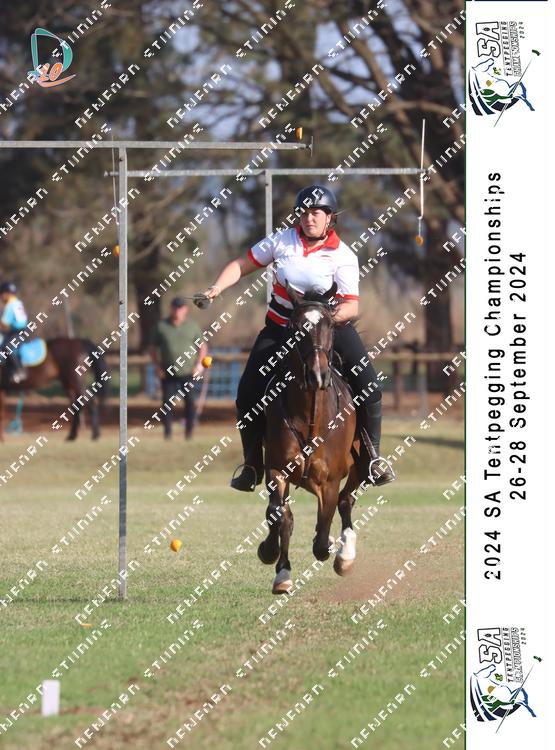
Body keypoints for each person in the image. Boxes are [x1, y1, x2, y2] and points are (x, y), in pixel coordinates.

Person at [202, 184, 396, 491]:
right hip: (280, 329)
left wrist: (319, 322)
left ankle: (373, 459)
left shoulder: (343, 255)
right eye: (304, 212)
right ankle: (252, 465)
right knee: (247, 392)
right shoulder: (281, 241)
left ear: (330, 217)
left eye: (316, 212)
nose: (309, 218)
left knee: (370, 386)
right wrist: (216, 288)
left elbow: (351, 306)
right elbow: (242, 265)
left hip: (329, 330)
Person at [148, 296, 207, 439]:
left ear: (185, 309)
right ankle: (167, 433)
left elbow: (202, 347)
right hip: (168, 372)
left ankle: (189, 433)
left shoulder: (192, 327)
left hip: (188, 372)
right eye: (175, 307)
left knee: (189, 403)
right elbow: (152, 347)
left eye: (180, 308)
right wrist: (157, 366)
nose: (177, 311)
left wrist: (199, 365)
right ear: (171, 308)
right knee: (167, 403)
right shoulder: (161, 326)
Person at [0, 281, 28, 386]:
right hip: (20, 330)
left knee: (7, 347)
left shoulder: (10, 305)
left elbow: (4, 323)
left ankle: (20, 370)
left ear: (7, 294)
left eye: (2, 294)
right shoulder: (17, 302)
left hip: (17, 332)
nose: (1, 297)